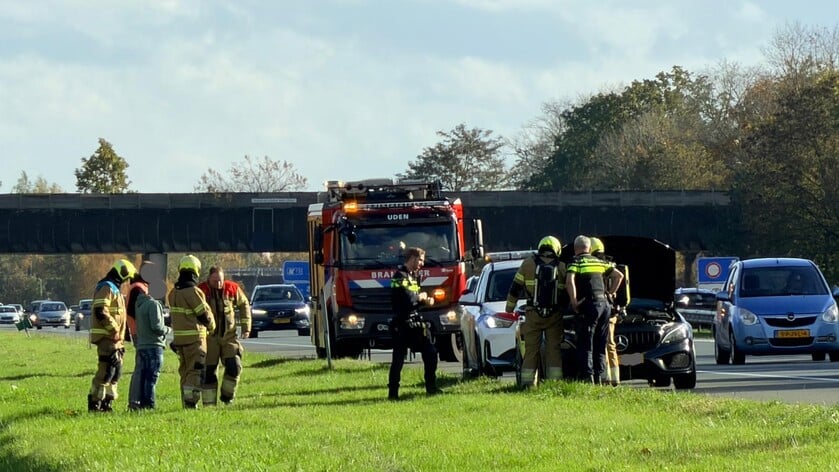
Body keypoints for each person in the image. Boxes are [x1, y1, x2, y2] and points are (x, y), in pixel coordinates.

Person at [505, 235, 567, 387]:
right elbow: (567, 294)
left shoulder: (527, 264)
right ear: (557, 249)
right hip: (554, 316)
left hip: (533, 314)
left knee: (531, 350)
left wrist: (509, 308)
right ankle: (554, 384)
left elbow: (515, 288)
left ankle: (528, 384)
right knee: (553, 349)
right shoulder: (562, 267)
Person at [566, 235, 623, 384]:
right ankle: (600, 376)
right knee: (601, 343)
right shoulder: (599, 262)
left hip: (590, 305)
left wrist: (574, 302)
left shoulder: (576, 261)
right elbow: (619, 276)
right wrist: (610, 292)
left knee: (586, 342)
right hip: (605, 306)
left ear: (575, 249)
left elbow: (569, 281)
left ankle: (588, 378)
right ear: (589, 248)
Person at [388, 246, 438, 400]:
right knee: (398, 359)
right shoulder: (399, 277)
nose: (422, 264)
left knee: (430, 353)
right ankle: (393, 393)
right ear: (413, 258)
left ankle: (431, 387)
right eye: (421, 260)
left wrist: (425, 301)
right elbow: (409, 299)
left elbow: (415, 299)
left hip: (415, 321)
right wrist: (422, 297)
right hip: (402, 324)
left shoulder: (413, 277)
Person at [198, 266, 252, 406]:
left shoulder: (232, 288)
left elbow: (244, 304)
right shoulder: (201, 290)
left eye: (220, 280)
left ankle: (227, 397)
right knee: (209, 372)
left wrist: (246, 328)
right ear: (208, 279)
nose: (218, 284)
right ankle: (209, 405)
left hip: (229, 337)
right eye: (215, 281)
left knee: (234, 366)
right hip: (209, 338)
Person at [167, 254, 216, 409]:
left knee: (185, 373)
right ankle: (190, 403)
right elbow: (203, 315)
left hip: (180, 341)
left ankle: (185, 402)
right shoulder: (193, 292)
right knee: (195, 372)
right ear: (196, 270)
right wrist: (211, 327)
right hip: (195, 340)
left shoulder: (173, 293)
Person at [88, 258, 136, 412]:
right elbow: (101, 311)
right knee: (105, 372)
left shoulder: (115, 289)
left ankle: (107, 404)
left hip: (116, 341)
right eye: (127, 278)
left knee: (115, 373)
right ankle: (95, 403)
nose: (127, 281)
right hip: (106, 339)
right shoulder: (106, 287)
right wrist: (114, 329)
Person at [128, 271, 170, 410]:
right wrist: (167, 329)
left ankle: (138, 403)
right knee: (152, 378)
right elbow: (157, 327)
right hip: (154, 345)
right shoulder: (154, 305)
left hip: (142, 344)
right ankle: (149, 405)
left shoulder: (139, 304)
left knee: (143, 375)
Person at [590, 237, 621, 386]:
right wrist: (611, 293)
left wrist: (607, 293)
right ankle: (614, 379)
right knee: (610, 344)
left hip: (603, 309)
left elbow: (619, 276)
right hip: (610, 309)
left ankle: (607, 379)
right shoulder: (608, 263)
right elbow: (619, 276)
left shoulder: (597, 264)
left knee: (604, 344)